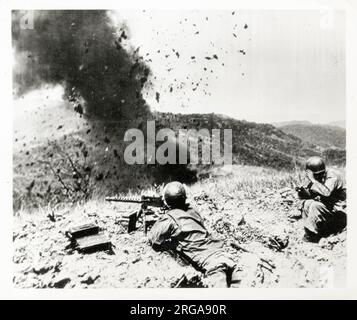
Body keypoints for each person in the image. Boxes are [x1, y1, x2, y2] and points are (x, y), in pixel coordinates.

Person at [147, 181, 241, 288]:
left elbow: (153, 239)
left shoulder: (170, 218)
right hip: (226, 257)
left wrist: (171, 245)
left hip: (212, 265)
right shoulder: (193, 211)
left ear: (167, 201)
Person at [290, 156, 346, 242]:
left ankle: (311, 235)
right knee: (308, 203)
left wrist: (312, 180)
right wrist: (302, 191)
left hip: (338, 210)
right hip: (327, 206)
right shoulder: (318, 177)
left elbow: (326, 193)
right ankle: (311, 231)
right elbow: (310, 196)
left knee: (316, 206)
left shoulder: (332, 177)